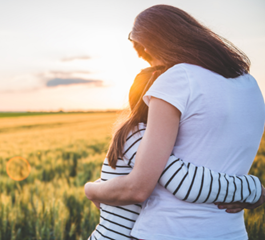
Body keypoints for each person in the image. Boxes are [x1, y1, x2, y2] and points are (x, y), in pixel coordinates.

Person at [85, 4, 265, 240]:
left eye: (148, 58)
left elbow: (142, 186)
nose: (155, 67)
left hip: (170, 231)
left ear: (150, 45)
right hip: (232, 233)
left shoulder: (178, 78)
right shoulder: (250, 84)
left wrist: (90, 189)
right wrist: (254, 189)